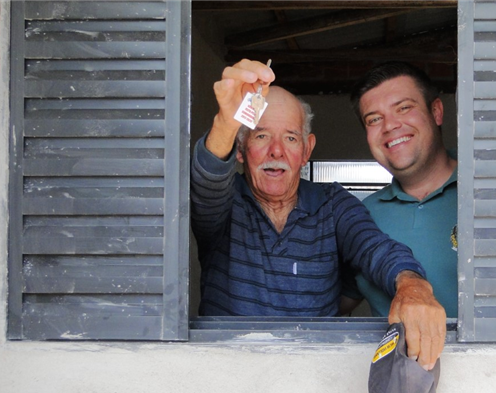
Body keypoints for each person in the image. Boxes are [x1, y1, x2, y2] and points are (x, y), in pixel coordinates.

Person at [191, 59, 445, 369]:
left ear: (306, 151)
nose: (276, 151)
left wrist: (411, 285)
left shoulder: (332, 204)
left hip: (315, 388)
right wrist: (226, 123)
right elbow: (207, 178)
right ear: (241, 150)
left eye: (290, 138)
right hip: (223, 380)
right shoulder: (223, 204)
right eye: (260, 136)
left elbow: (374, 247)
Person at [342, 62, 458, 318]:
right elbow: (327, 309)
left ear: (436, 111)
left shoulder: (488, 189)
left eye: (404, 108)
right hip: (395, 360)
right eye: (374, 119)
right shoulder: (359, 218)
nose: (390, 126)